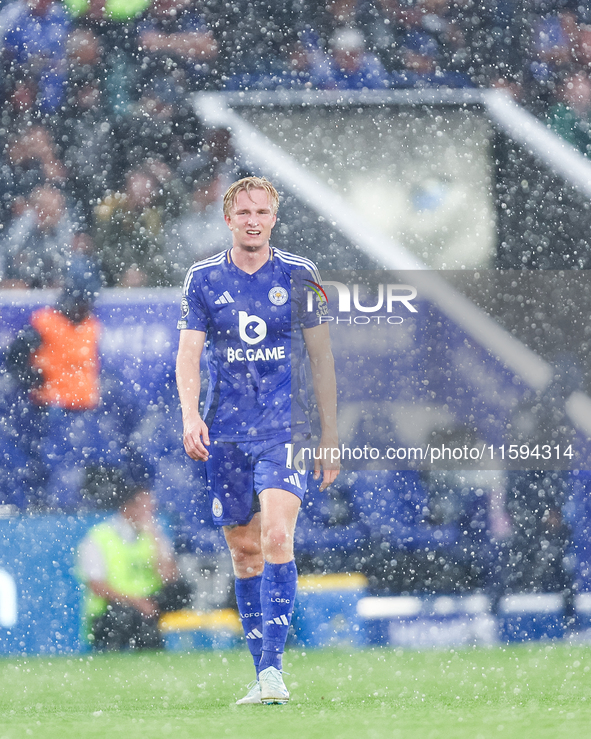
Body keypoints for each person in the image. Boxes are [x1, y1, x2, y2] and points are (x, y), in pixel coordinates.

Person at [175, 176, 339, 705]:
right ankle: (261, 671)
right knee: (244, 554)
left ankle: (273, 673)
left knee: (275, 538)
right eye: (243, 212)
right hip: (225, 434)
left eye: (262, 212)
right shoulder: (201, 279)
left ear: (273, 218)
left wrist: (330, 434)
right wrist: (190, 415)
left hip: (283, 429)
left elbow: (321, 358)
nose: (253, 220)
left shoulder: (298, 274)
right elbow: (189, 355)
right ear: (228, 219)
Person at [77, 452, 191, 650]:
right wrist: (137, 602)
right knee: (127, 616)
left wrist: (155, 539)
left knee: (181, 591)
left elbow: (169, 576)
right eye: (145, 507)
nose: (150, 513)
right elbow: (97, 586)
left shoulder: (152, 534)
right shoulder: (98, 538)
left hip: (146, 604)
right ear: (127, 507)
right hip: (112, 610)